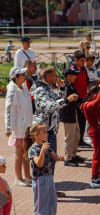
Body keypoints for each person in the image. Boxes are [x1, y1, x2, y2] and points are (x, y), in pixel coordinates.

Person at [31, 66, 67, 198]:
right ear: (47, 77)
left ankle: (50, 189)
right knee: (44, 163)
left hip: (51, 131)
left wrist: (62, 89)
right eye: (54, 75)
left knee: (51, 163)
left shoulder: (49, 89)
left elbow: (57, 100)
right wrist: (67, 100)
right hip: (43, 133)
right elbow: (48, 107)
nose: (56, 77)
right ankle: (44, 192)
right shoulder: (41, 90)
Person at [26, 123, 64, 215]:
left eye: (46, 132)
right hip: (39, 179)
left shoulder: (46, 145)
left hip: (49, 177)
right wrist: (42, 151)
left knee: (52, 202)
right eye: (44, 132)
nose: (47, 134)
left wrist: (59, 157)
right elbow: (39, 163)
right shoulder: (33, 149)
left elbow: (55, 157)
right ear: (36, 135)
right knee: (40, 205)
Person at [80, 74, 100, 188]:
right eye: (97, 94)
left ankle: (97, 174)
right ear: (93, 95)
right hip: (96, 133)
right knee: (97, 155)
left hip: (99, 132)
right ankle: (94, 177)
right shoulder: (88, 105)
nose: (99, 96)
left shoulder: (93, 102)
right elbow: (99, 99)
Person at [5, 67, 33, 186]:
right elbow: (9, 109)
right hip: (18, 127)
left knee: (27, 151)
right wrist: (8, 128)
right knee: (19, 152)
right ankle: (19, 178)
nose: (24, 76)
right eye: (22, 75)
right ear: (15, 77)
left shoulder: (24, 87)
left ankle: (27, 175)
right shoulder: (12, 90)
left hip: (27, 125)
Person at [59, 68, 84, 167]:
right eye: (74, 75)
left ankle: (73, 154)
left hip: (73, 113)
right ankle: (68, 157)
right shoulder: (64, 86)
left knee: (76, 135)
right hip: (67, 114)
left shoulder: (71, 86)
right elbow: (63, 101)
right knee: (69, 137)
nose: (76, 77)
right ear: (68, 76)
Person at [71, 50, 90, 147]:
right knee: (75, 122)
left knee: (83, 120)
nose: (83, 63)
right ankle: (75, 141)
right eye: (81, 60)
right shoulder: (72, 71)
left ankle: (80, 140)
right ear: (76, 60)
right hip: (74, 100)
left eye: (84, 60)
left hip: (83, 98)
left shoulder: (84, 70)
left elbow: (87, 82)